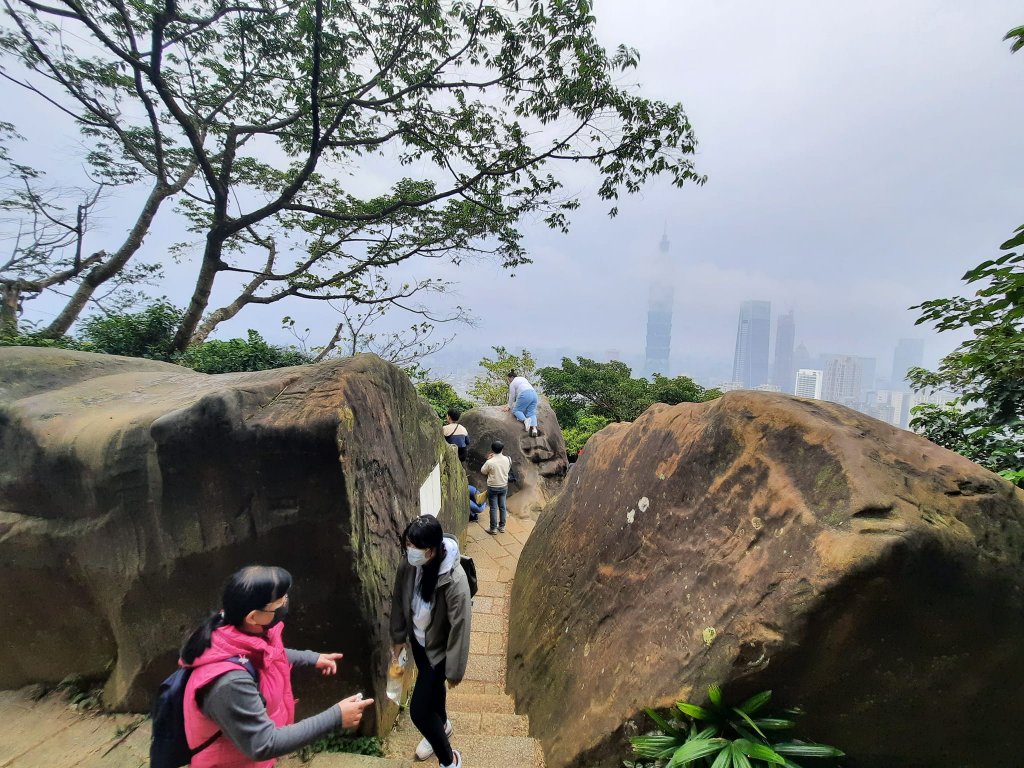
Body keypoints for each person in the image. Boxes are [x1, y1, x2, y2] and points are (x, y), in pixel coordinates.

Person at [181, 565, 374, 767]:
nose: (285, 603)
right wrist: (335, 716)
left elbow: (268, 655)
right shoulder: (229, 684)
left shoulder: (236, 626)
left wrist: (310, 658)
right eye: (279, 602)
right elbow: (264, 743)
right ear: (253, 616)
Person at [390, 516, 472, 768]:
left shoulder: (455, 581)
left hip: (440, 652)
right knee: (434, 692)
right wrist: (398, 637)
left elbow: (461, 628)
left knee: (419, 712)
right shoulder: (410, 564)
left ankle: (449, 759)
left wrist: (455, 671)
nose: (409, 551)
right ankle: (443, 725)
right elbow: (398, 599)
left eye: (414, 547)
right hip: (418, 643)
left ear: (432, 550)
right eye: (407, 545)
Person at [480, 440, 512, 535]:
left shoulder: (490, 462)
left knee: (493, 508)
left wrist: (487, 459)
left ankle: (493, 528)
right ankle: (502, 526)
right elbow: (508, 469)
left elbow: (483, 471)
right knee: (502, 506)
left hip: (493, 487)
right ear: (502, 449)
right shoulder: (508, 459)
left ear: (492, 450)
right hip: (503, 486)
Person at [502, 370, 538, 437]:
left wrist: (508, 406)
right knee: (531, 412)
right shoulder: (523, 378)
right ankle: (534, 429)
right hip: (534, 394)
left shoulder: (512, 383)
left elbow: (512, 395)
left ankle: (525, 420)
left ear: (511, 377)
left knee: (516, 410)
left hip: (525, 394)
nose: (508, 381)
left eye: (508, 379)